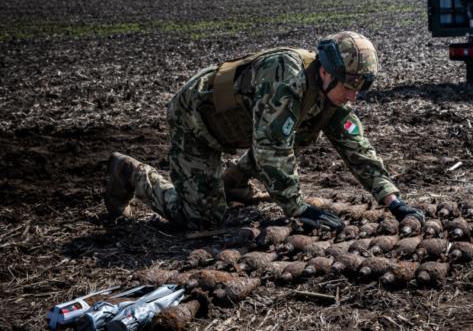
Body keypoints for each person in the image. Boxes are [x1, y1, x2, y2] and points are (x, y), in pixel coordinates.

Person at [105, 31, 425, 231]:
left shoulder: (332, 97)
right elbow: (273, 148)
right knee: (203, 220)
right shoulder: (286, 77)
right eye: (349, 87)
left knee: (301, 131)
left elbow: (357, 148)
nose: (353, 97)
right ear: (326, 72)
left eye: (360, 89)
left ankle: (232, 182)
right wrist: (297, 208)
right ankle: (130, 174)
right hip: (197, 124)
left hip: (244, 131)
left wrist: (393, 202)